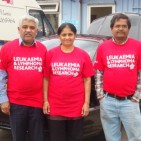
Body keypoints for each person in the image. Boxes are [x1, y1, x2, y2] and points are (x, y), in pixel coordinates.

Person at [43, 23, 94, 141]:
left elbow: (87, 79)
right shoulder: (51, 54)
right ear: (59, 36)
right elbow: (45, 78)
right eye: (64, 34)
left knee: (75, 138)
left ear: (74, 35)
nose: (67, 37)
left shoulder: (83, 55)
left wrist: (86, 103)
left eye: (70, 34)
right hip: (55, 105)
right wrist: (45, 101)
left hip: (76, 106)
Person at [94, 13, 141, 141]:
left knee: (135, 137)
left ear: (128, 29)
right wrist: (100, 96)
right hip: (108, 101)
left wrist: (137, 96)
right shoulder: (103, 46)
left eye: (124, 26)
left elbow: (140, 72)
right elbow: (99, 73)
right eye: (117, 26)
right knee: (111, 137)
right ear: (112, 29)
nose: (120, 28)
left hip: (130, 102)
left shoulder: (138, 46)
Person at [0, 15, 47, 141]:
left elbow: (46, 77)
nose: (28, 30)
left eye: (32, 28)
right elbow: (1, 76)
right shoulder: (7, 48)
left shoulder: (42, 49)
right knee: (18, 137)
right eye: (25, 27)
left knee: (37, 137)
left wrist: (46, 100)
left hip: (37, 103)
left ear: (37, 31)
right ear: (19, 29)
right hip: (16, 103)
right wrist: (3, 99)